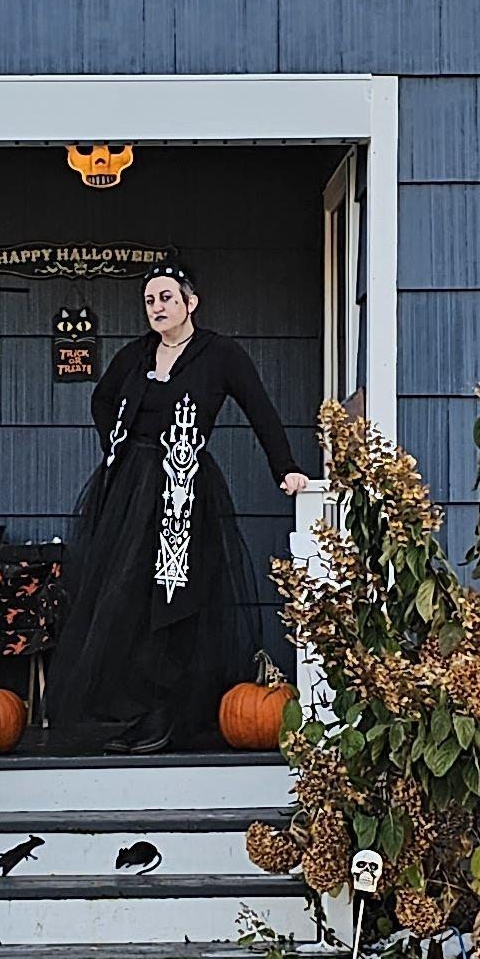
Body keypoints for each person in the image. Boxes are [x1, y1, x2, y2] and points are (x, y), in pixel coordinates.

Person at [44, 258, 307, 752]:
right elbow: (102, 401)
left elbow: (260, 410)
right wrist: (120, 449)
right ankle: (132, 713)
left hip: (184, 489)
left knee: (173, 599)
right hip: (131, 493)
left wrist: (285, 467)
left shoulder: (220, 354)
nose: (157, 307)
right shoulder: (136, 354)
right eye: (150, 300)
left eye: (167, 297)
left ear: (191, 302)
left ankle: (165, 714)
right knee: (126, 599)